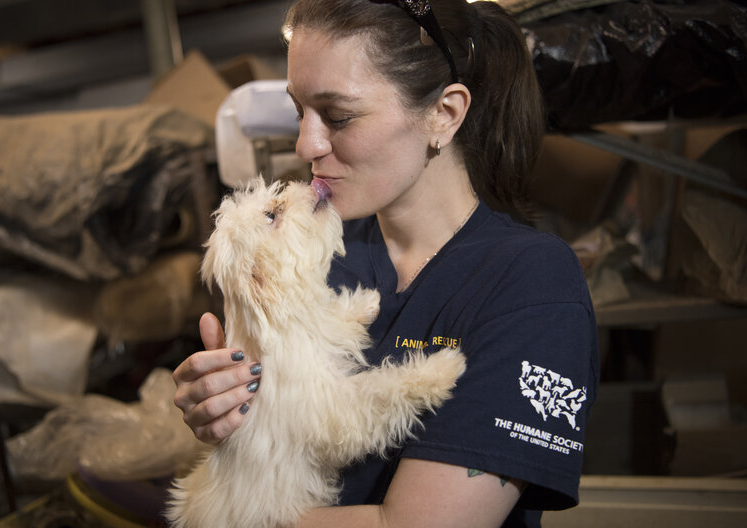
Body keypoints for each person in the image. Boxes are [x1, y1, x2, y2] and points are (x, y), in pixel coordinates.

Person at [172, 0, 599, 526]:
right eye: (298, 111)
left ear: (443, 114)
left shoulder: (531, 283)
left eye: (338, 115)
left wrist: (228, 519)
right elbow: (270, 433)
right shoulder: (312, 254)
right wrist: (223, 410)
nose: (306, 144)